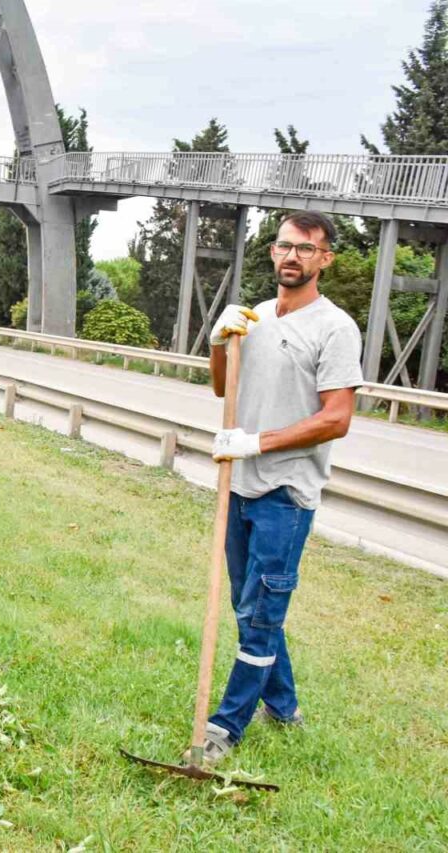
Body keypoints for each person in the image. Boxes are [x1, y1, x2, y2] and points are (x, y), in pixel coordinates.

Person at [199, 210, 364, 764]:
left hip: (285, 494)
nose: (291, 256)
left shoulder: (335, 328)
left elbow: (336, 419)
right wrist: (220, 343)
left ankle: (224, 728)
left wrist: (257, 443)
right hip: (239, 485)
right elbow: (225, 387)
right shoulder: (256, 316)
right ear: (272, 252)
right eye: (284, 245)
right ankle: (285, 707)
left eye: (305, 248)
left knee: (261, 613)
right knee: (254, 610)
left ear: (325, 259)